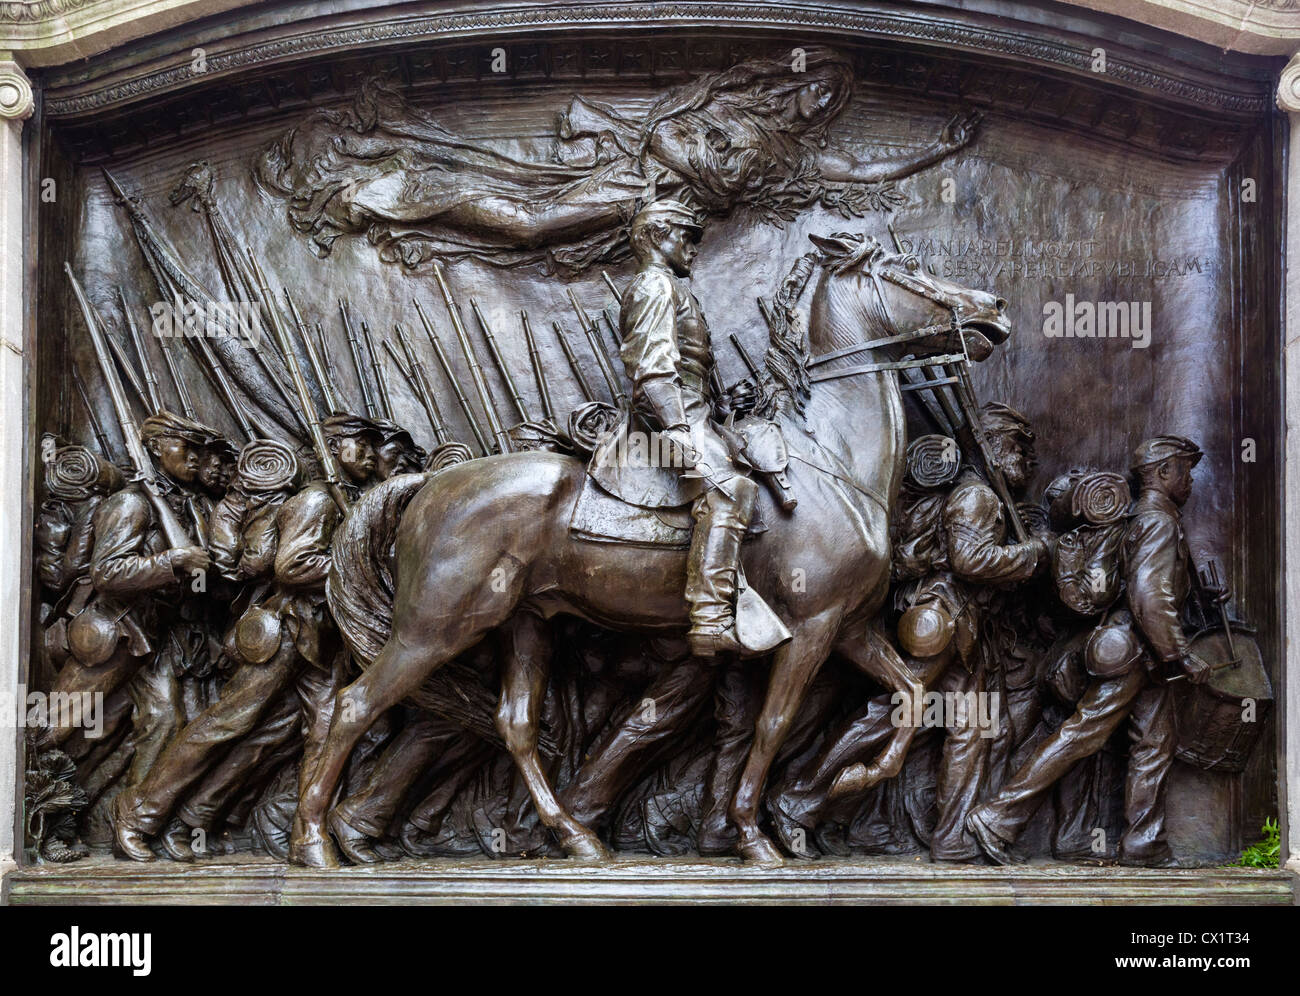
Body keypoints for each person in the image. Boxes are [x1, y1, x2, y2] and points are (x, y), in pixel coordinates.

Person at [257, 50, 977, 274]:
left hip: (669, 225)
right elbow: (664, 138)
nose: (819, 103)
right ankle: (388, 194)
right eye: (817, 88)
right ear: (796, 80)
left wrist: (936, 151)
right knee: (529, 224)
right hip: (639, 190)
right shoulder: (730, 105)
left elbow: (860, 172)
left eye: (830, 101)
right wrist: (708, 173)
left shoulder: (793, 156)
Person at [111, 415, 383, 862]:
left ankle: (300, 836)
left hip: (326, 637)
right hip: (287, 629)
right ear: (333, 448)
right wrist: (361, 566)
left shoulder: (345, 498)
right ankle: (139, 810)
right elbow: (292, 567)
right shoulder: (316, 500)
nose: (371, 457)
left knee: (321, 733)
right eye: (362, 446)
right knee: (227, 723)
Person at [967, 435, 1210, 867]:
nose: (1190, 480)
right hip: (1136, 652)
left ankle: (1144, 843)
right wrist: (1179, 653)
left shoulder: (1143, 517)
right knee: (1083, 734)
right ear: (1165, 472)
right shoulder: (1156, 521)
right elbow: (1149, 596)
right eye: (1185, 469)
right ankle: (998, 816)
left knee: (1154, 743)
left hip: (1142, 655)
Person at [592, 199, 774, 657]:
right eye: (686, 236)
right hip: (663, 423)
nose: (694, 247)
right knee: (730, 491)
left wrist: (715, 408)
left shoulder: (672, 287)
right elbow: (654, 370)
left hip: (691, 414)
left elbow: (687, 373)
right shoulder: (655, 284)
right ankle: (710, 619)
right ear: (656, 236)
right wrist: (677, 427)